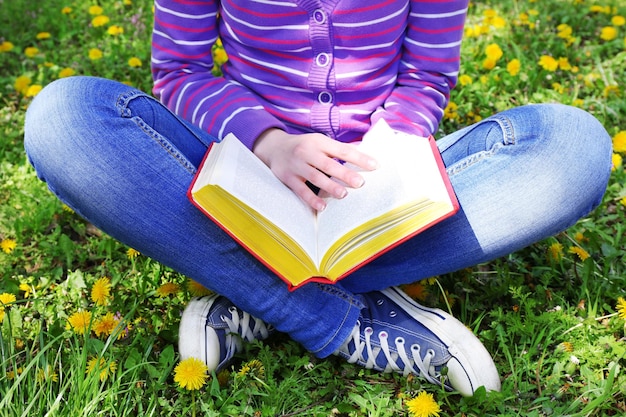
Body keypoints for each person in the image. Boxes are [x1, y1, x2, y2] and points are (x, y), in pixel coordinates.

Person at [23, 0, 612, 397]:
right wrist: (270, 143)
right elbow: (179, 71)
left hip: (376, 174)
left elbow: (427, 77)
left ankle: (254, 289)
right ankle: (345, 320)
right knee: (63, 119)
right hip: (242, 172)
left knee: (573, 145)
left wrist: (387, 157)